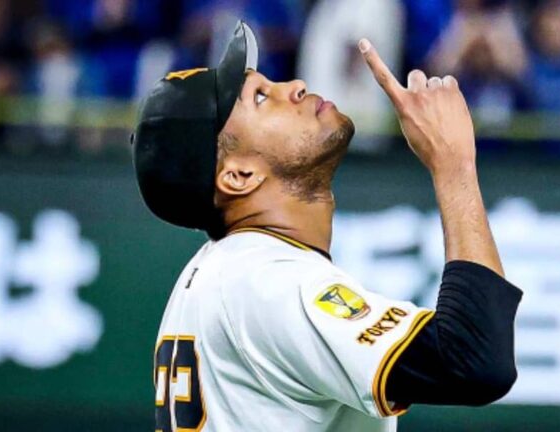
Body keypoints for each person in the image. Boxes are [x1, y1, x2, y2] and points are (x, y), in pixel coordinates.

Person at [132, 21, 522, 431]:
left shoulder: (222, 272)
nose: (295, 86)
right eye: (260, 98)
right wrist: (454, 164)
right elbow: (475, 360)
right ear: (239, 176)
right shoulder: (268, 282)